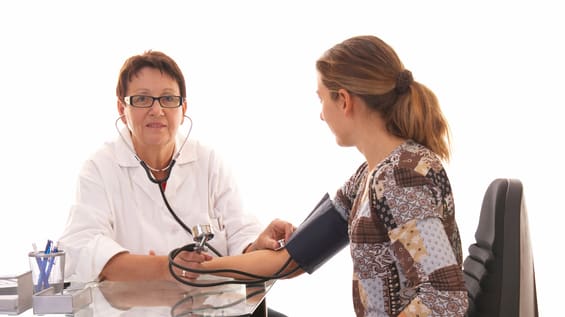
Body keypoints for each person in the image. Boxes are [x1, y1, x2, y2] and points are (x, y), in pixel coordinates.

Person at [193, 35, 469, 316]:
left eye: (322, 99)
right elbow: (290, 260)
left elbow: (444, 298)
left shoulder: (402, 177)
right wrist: (199, 268)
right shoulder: (368, 176)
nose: (322, 115)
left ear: (345, 101)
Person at [57, 50, 294, 286]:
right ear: (122, 109)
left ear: (183, 109)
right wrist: (166, 266)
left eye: (169, 99)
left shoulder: (208, 161)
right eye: (142, 99)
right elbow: (81, 247)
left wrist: (257, 245)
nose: (157, 110)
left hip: (212, 306)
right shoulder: (99, 168)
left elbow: (240, 232)